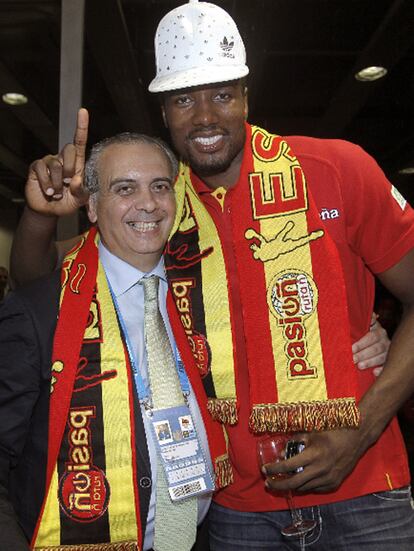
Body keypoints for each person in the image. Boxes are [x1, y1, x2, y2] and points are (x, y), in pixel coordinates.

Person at [9, 1, 413, 549]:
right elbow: (47, 286)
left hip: (367, 494)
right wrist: (37, 217)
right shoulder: (159, 210)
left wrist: (361, 428)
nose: (203, 116)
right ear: (164, 112)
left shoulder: (337, 171)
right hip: (234, 511)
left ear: (247, 95)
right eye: (183, 98)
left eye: (221, 93)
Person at [0, 133, 230, 550]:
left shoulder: (206, 296)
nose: (148, 203)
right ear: (91, 206)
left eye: (160, 186)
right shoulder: (40, 314)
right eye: (125, 188)